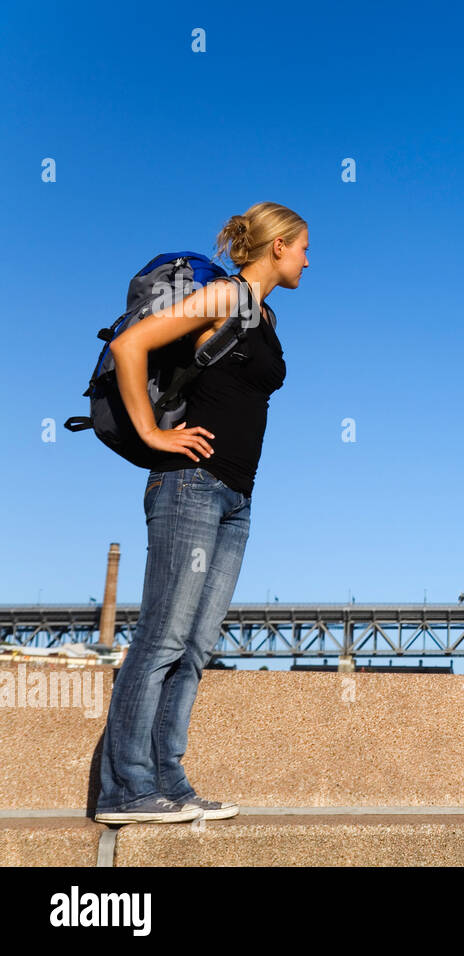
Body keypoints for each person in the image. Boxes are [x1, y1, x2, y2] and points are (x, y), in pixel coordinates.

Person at [94, 202, 306, 825]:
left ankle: (169, 783)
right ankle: (124, 790)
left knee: (194, 647)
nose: (307, 260)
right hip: (190, 485)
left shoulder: (262, 315)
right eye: (301, 248)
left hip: (236, 496)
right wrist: (154, 436)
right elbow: (132, 344)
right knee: (162, 637)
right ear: (277, 247)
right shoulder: (226, 297)